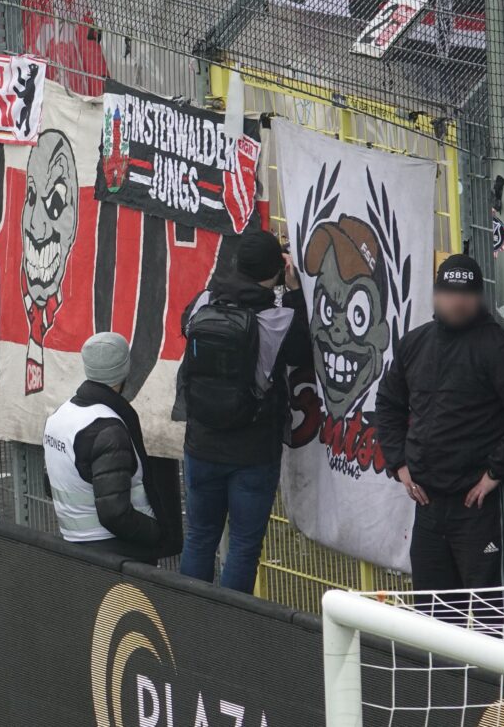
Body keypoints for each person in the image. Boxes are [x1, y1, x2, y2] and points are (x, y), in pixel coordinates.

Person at [375, 254, 504, 590]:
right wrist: (399, 463)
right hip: (427, 505)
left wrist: (495, 473)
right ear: (436, 294)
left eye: (466, 294)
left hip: (479, 505)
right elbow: (388, 403)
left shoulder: (499, 349)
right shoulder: (415, 343)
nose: (457, 301)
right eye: (450, 293)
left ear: (479, 297)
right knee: (432, 619)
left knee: (494, 617)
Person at [178, 229, 311, 594]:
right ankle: (225, 631)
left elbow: (184, 326)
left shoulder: (204, 301)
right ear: (276, 271)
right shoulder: (278, 320)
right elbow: (302, 353)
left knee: (200, 536)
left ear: (235, 263)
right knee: (243, 545)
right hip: (253, 451)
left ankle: (187, 620)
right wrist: (295, 291)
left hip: (200, 443)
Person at [42, 332, 179, 562]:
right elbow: (115, 514)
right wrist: (159, 534)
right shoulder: (108, 429)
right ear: (125, 369)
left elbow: (49, 484)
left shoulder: (60, 415)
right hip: (118, 554)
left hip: (74, 542)